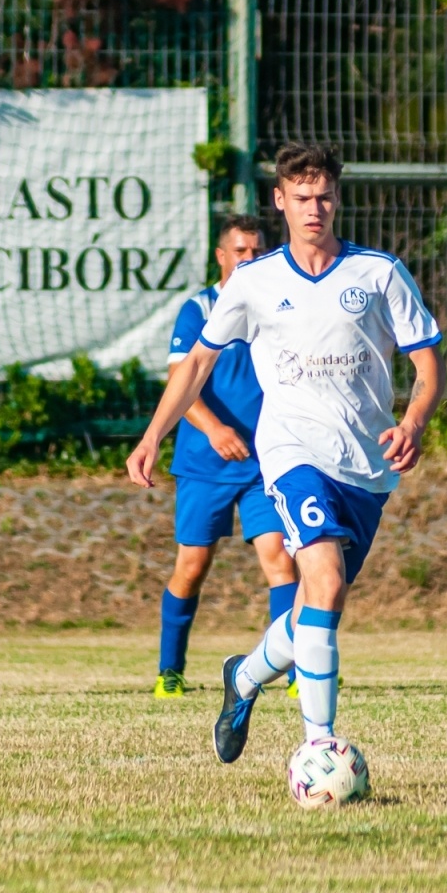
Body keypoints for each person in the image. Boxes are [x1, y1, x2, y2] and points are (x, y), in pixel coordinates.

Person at [127, 142, 445, 765]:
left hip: (366, 466)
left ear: (337, 199)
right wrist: (151, 435)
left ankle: (243, 678)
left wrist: (413, 420)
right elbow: (196, 363)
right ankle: (319, 746)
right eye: (301, 197)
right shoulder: (254, 281)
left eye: (324, 196)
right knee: (320, 579)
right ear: (280, 201)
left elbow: (428, 366)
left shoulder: (378, 273)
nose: (314, 208)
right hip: (291, 451)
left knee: (314, 609)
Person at [153, 214, 299, 699]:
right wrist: (214, 429)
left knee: (281, 560)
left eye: (258, 251)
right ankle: (169, 671)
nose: (251, 260)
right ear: (222, 256)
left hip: (265, 463)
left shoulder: (278, 303)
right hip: (204, 462)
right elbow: (181, 378)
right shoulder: (197, 309)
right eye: (241, 252)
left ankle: (300, 670)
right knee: (192, 566)